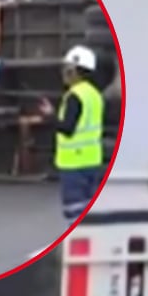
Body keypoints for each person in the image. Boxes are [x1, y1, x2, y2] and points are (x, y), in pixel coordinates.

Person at [38, 45, 105, 222]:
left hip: (74, 163)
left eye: (66, 68)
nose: (63, 73)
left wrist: (50, 117)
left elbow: (67, 128)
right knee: (89, 210)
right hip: (92, 160)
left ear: (74, 71)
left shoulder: (74, 96)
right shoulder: (94, 94)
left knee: (75, 211)